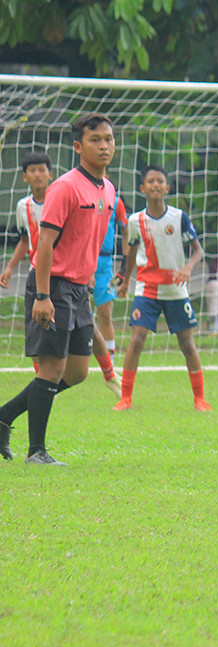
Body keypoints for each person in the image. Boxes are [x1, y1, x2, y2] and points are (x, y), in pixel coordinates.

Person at [0, 115, 119, 465]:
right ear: (78, 146)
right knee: (51, 369)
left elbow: (87, 240)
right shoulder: (66, 187)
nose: (104, 146)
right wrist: (43, 295)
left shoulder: (108, 189)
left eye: (109, 139)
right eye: (95, 139)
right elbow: (44, 244)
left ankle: (4, 415)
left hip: (80, 288)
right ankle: (36, 451)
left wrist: (88, 279)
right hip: (53, 285)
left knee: (77, 372)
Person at [0, 152, 123, 399]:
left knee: (88, 326)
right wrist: (10, 267)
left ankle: (108, 372)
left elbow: (82, 236)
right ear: (24, 176)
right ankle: (45, 386)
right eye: (32, 170)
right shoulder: (23, 206)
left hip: (70, 274)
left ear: (51, 174)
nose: (37, 174)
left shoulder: (63, 194)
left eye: (41, 170)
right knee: (42, 334)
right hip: (40, 274)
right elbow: (26, 240)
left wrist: (87, 269)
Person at [114, 165, 211, 412]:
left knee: (186, 343)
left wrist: (188, 267)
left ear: (167, 188)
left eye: (160, 181)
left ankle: (199, 399)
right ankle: (125, 398)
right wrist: (126, 281)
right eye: (151, 181)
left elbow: (198, 250)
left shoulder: (179, 218)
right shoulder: (135, 220)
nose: (155, 185)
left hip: (175, 288)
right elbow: (132, 252)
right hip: (147, 288)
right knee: (137, 340)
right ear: (142, 188)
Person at [93, 190, 129, 360]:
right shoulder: (81, 197)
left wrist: (124, 265)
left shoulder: (116, 203)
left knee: (105, 315)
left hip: (104, 265)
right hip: (82, 261)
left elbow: (126, 232)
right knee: (79, 315)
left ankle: (110, 363)